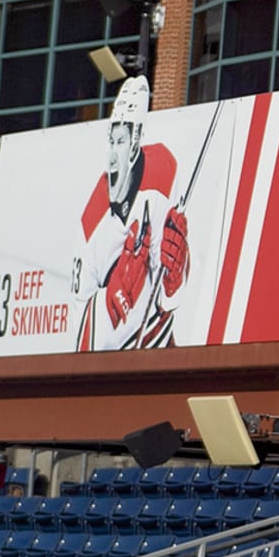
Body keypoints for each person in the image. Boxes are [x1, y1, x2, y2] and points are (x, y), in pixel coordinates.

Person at [74, 76, 190, 351]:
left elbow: (169, 298)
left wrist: (174, 278)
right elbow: (80, 341)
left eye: (121, 141)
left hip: (159, 344)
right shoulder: (90, 223)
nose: (113, 154)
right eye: (111, 141)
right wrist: (112, 305)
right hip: (113, 360)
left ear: (135, 141)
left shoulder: (164, 170)